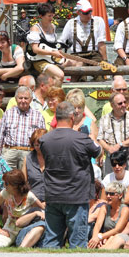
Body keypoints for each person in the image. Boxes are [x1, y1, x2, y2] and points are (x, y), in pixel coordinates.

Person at [40, 101, 102, 248]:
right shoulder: (82, 139)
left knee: (52, 240)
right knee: (78, 243)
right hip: (77, 197)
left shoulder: (44, 140)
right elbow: (99, 152)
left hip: (53, 195)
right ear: (72, 117)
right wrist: (89, 136)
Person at [0, 169, 46, 248]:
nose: (4, 185)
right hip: (9, 229)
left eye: (7, 183)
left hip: (25, 228)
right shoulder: (5, 193)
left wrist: (40, 212)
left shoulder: (29, 196)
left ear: (15, 185)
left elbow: (42, 207)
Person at [0, 86, 46, 170]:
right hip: (9, 152)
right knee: (7, 179)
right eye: (20, 98)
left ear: (31, 99)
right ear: (16, 99)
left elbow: (42, 138)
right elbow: (0, 136)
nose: (23, 101)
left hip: (28, 153)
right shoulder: (8, 113)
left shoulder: (38, 116)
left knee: (26, 180)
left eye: (26, 98)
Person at [97, 92, 129, 175]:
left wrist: (120, 144)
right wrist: (109, 149)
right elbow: (100, 139)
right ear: (112, 105)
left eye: (125, 102)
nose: (124, 105)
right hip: (112, 162)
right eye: (120, 103)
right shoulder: (104, 119)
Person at [26, 2, 70, 81]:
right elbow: (35, 49)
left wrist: (59, 51)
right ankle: (54, 92)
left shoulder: (53, 26)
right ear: (41, 16)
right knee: (60, 75)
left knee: (77, 63)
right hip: (40, 60)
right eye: (49, 16)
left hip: (53, 58)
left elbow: (53, 45)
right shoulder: (35, 28)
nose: (51, 18)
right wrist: (53, 53)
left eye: (52, 15)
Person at [58, 0, 108, 67]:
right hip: (76, 56)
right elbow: (61, 41)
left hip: (94, 56)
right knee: (78, 74)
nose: (89, 15)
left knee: (99, 76)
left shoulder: (99, 21)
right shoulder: (71, 23)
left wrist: (105, 61)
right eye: (86, 13)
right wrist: (59, 52)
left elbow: (101, 43)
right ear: (78, 12)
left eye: (90, 11)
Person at [88, 181, 129, 249]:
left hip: (118, 237)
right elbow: (98, 225)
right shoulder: (104, 207)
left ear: (120, 195)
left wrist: (100, 237)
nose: (108, 196)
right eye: (107, 193)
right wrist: (95, 237)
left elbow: (117, 230)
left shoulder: (125, 210)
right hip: (104, 236)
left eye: (111, 194)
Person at [23, 128, 48, 203]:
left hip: (52, 202)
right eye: (36, 145)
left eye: (41, 144)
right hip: (33, 201)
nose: (39, 147)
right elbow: (23, 183)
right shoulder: (27, 159)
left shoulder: (55, 158)